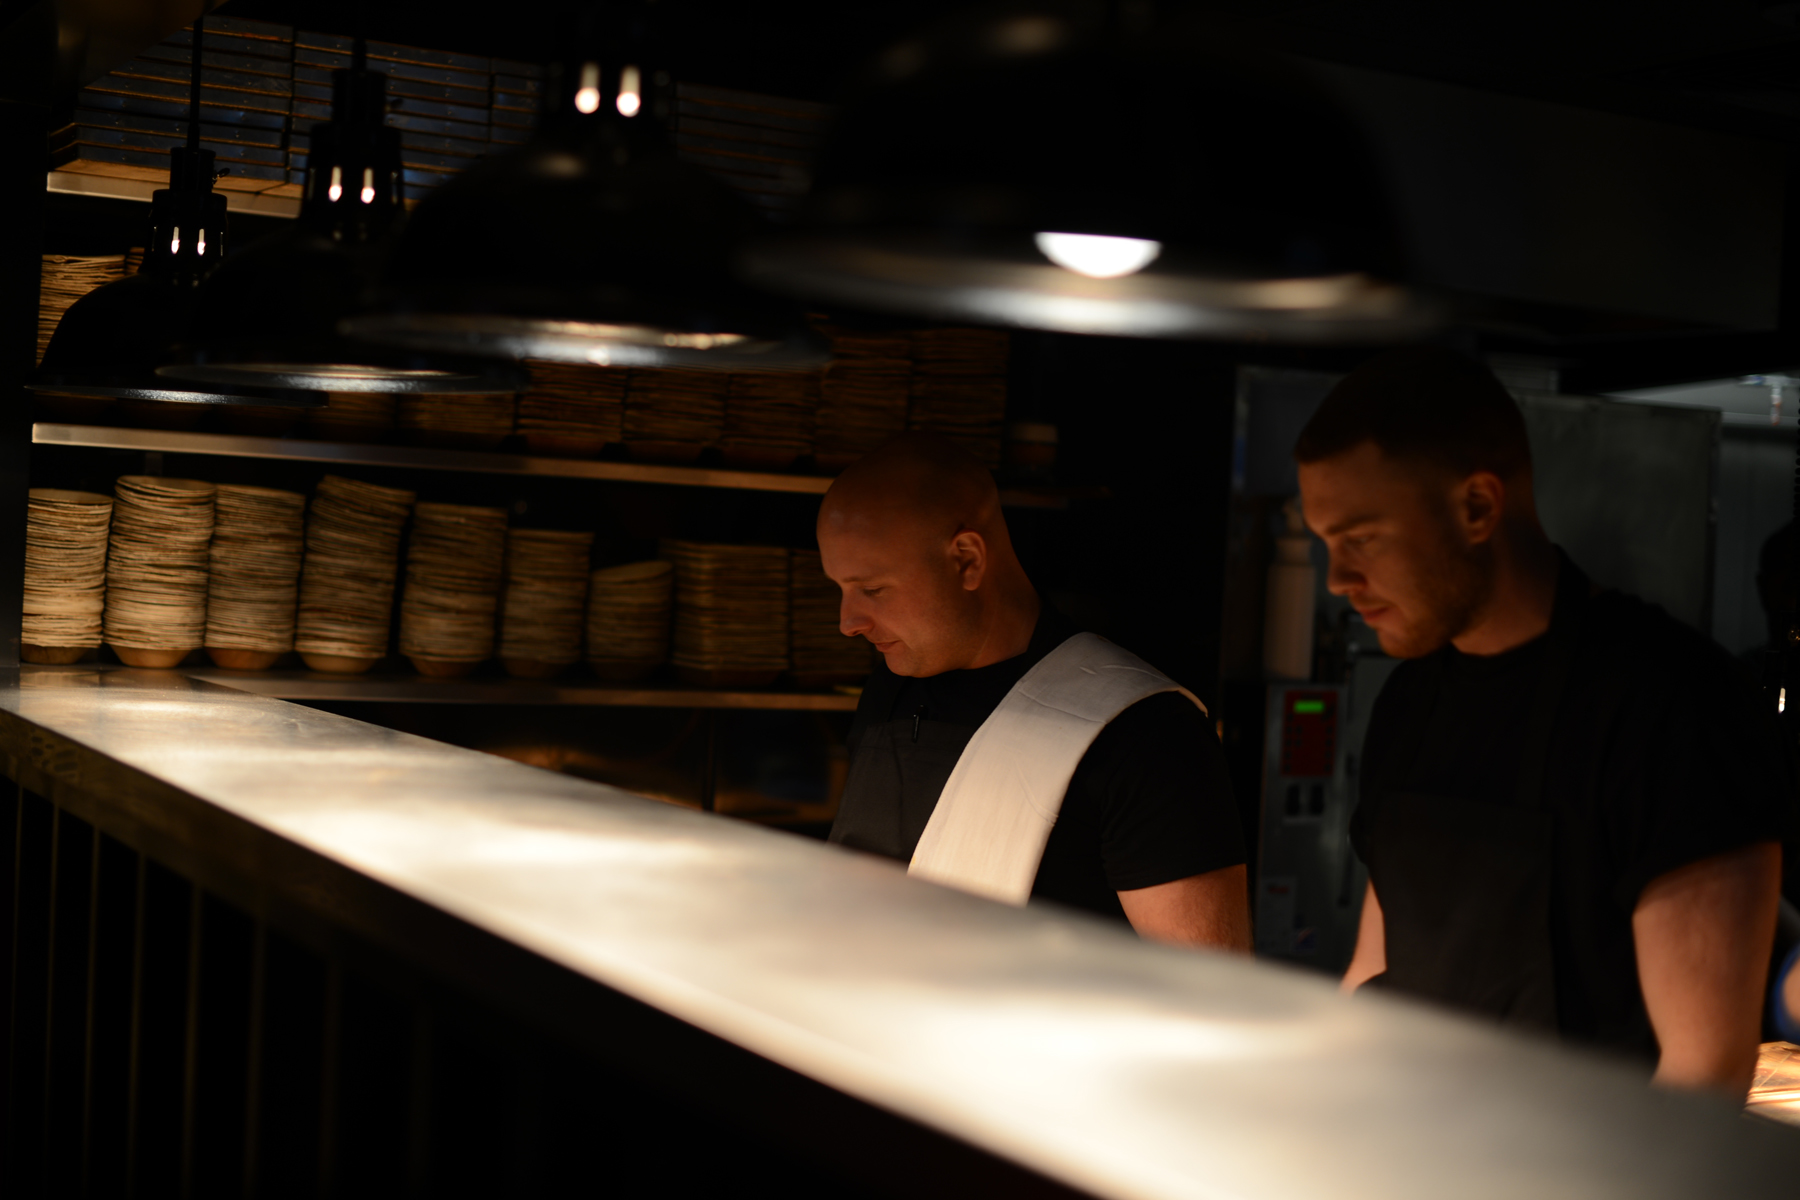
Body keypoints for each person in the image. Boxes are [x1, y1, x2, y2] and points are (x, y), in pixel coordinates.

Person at [1295, 346, 1794, 1097]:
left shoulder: (1674, 706)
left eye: (1361, 539)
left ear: (1477, 507)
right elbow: (1373, 972)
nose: (1337, 581)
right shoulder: (1409, 704)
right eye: (1326, 544)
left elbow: (1702, 1075)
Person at [818, 433, 1250, 950]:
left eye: (872, 589)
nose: (847, 622)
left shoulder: (1146, 733)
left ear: (966, 561)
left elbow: (1206, 991)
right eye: (839, 589)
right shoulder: (891, 689)